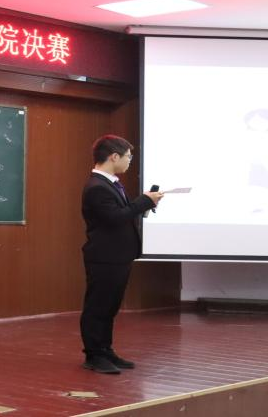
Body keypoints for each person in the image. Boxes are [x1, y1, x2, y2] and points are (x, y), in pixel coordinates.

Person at [79, 135, 163, 374]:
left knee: (110, 307)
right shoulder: (97, 187)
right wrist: (144, 201)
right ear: (114, 157)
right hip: (104, 256)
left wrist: (144, 204)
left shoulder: (111, 183)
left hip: (118, 256)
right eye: (128, 157)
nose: (129, 161)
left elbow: (122, 213)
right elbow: (115, 218)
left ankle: (105, 350)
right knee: (98, 307)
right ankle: (94, 355)